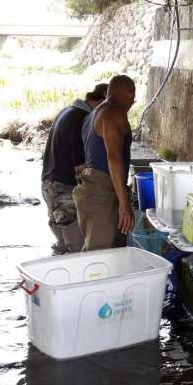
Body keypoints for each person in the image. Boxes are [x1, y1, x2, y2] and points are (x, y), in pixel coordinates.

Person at [41, 83, 108, 255]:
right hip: (62, 187)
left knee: (62, 243)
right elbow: (79, 165)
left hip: (50, 182)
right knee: (76, 248)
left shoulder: (68, 111)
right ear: (101, 101)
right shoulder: (81, 119)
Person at [72, 75, 136, 251]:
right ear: (130, 93)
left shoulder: (94, 113)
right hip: (101, 190)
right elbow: (113, 158)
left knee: (105, 254)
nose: (133, 103)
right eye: (133, 98)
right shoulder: (113, 113)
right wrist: (124, 205)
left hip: (93, 187)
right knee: (99, 258)